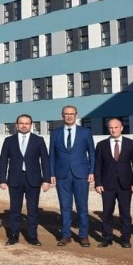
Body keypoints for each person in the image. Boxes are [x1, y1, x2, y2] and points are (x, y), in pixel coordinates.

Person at [0, 114, 50, 246]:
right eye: (21, 123)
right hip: (15, 179)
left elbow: (45, 161)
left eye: (27, 123)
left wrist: (46, 180)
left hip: (33, 179)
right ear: (16, 125)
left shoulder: (38, 140)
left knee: (32, 210)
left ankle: (32, 236)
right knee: (14, 209)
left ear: (31, 125)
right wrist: (2, 179)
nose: (24, 125)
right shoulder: (9, 140)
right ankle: (13, 235)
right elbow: (3, 160)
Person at [49, 105, 96, 247]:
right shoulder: (55, 133)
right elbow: (52, 155)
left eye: (72, 114)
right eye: (66, 114)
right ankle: (66, 235)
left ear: (76, 115)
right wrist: (52, 173)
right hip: (62, 175)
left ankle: (83, 236)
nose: (69, 116)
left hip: (81, 174)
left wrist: (92, 171)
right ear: (62, 115)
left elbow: (92, 153)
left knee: (82, 207)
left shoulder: (85, 132)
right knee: (65, 207)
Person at [94, 118, 133, 248]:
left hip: (125, 184)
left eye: (116, 127)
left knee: (125, 213)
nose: (113, 130)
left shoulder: (131, 144)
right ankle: (107, 237)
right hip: (107, 184)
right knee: (107, 213)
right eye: (111, 128)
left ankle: (125, 238)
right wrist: (98, 183)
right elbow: (98, 165)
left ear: (121, 128)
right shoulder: (101, 145)